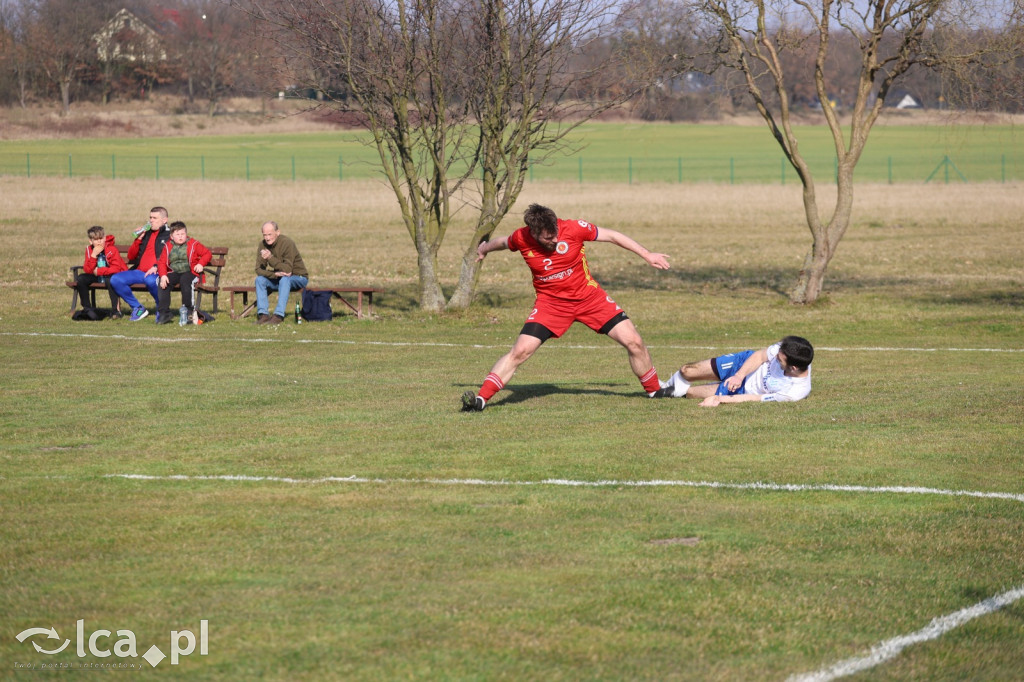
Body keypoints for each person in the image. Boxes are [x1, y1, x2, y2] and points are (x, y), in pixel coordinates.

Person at [461, 203, 670, 412]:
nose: (555, 241)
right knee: (520, 351)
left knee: (634, 341)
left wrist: (647, 255)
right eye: (548, 239)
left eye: (555, 235)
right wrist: (484, 248)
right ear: (533, 233)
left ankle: (654, 391)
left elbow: (613, 236)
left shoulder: (573, 228)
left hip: (590, 299)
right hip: (551, 305)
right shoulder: (521, 237)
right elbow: (503, 242)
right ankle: (480, 400)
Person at [655, 336, 814, 407]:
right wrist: (739, 375)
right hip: (744, 363)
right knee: (687, 371)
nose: (776, 356)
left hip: (745, 389)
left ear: (793, 367)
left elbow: (757, 398)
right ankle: (665, 387)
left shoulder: (794, 392)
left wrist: (719, 399)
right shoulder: (791, 349)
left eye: (780, 360)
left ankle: (660, 390)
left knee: (690, 393)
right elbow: (759, 356)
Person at [109, 206, 171, 322]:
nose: (151, 220)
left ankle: (161, 309)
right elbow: (131, 256)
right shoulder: (146, 233)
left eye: (155, 218)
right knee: (115, 279)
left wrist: (156, 267)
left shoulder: (170, 235)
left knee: (150, 280)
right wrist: (138, 239)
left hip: (156, 273)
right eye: (150, 217)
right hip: (139, 272)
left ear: (164, 220)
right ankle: (137, 308)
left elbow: (171, 255)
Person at [156, 221, 212, 325]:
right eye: (177, 234)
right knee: (163, 282)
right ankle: (164, 313)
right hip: (174, 271)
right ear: (172, 236)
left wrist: (201, 264)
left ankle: (189, 312)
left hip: (190, 272)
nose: (181, 237)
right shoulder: (168, 246)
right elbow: (162, 262)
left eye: (183, 234)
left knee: (185, 281)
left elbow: (207, 253)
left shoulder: (193, 244)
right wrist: (163, 275)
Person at [254, 221, 309, 325]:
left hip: (298, 277)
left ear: (277, 232)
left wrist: (270, 258)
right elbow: (258, 270)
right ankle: (263, 315)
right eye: (264, 235)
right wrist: (274, 275)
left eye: (270, 234)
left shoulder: (287, 243)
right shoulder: (262, 245)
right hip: (279, 278)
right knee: (259, 280)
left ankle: (278, 315)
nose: (267, 238)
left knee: (285, 279)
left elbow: (288, 270)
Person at [73, 225, 127, 320]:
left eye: (101, 238)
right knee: (81, 279)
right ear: (91, 241)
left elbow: (116, 268)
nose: (99, 242)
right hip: (97, 275)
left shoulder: (111, 249)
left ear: (105, 238)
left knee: (111, 280)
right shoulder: (89, 250)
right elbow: (88, 269)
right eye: (96, 239)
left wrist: (99, 271)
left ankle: (116, 311)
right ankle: (87, 309)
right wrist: (94, 255)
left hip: (114, 275)